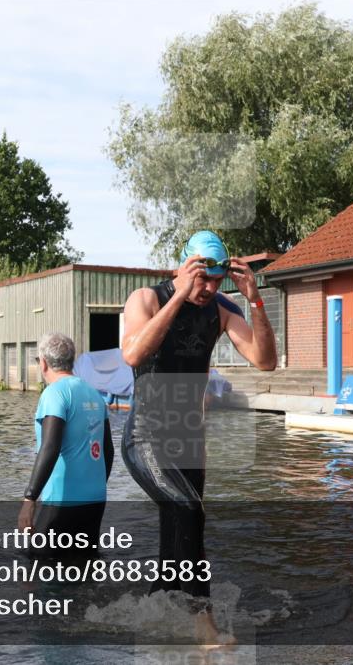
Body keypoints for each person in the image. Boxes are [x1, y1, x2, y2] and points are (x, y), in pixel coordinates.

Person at [120, 230, 277, 646]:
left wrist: (254, 300)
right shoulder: (147, 299)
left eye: (216, 280)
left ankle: (149, 613)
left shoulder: (222, 309)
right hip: (145, 437)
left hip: (189, 441)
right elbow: (133, 354)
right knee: (188, 509)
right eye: (201, 278)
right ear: (184, 267)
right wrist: (178, 296)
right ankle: (204, 628)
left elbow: (265, 361)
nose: (208, 289)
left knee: (183, 535)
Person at [17, 332, 113, 560]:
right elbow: (107, 452)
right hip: (95, 499)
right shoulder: (95, 395)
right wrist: (93, 486)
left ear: (43, 363)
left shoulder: (54, 394)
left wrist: (29, 499)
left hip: (62, 500)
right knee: (82, 567)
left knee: (40, 563)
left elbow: (50, 447)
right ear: (73, 360)